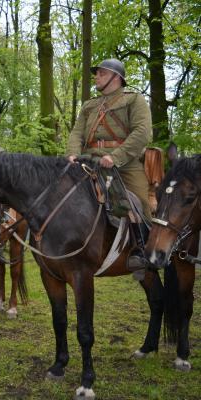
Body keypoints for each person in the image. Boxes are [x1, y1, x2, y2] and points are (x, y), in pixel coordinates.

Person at [66, 58, 152, 272]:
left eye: (101, 73)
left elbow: (142, 132)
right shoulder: (90, 105)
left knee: (140, 203)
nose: (96, 76)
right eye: (97, 73)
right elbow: (77, 132)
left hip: (125, 164)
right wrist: (73, 154)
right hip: (89, 161)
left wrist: (116, 156)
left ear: (117, 77)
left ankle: (143, 251)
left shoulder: (134, 100)